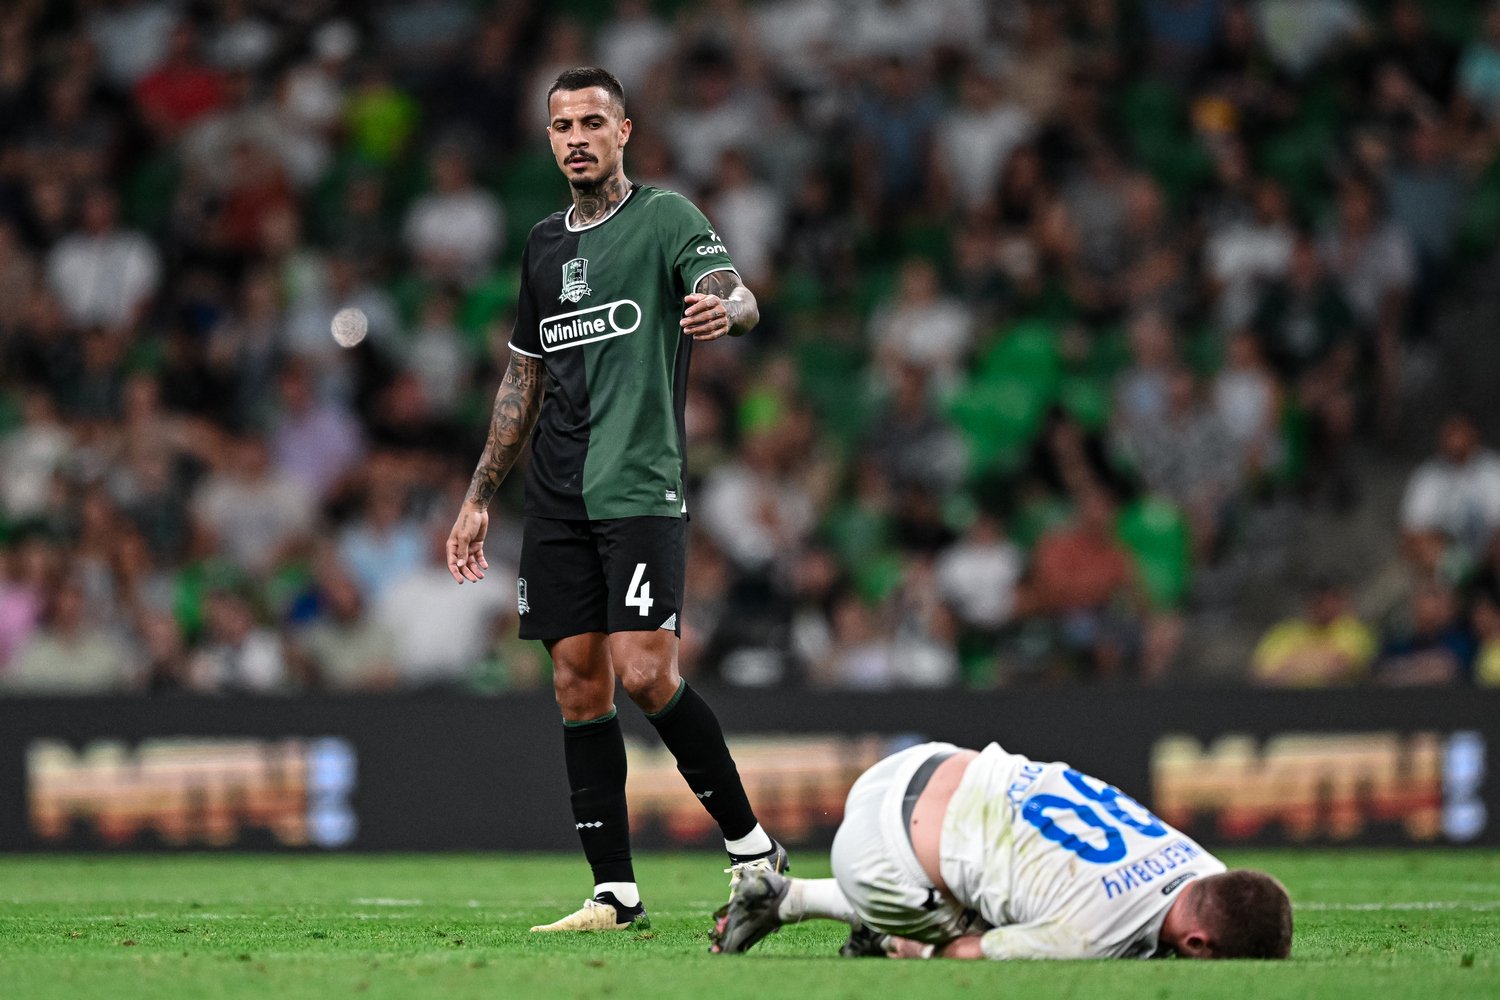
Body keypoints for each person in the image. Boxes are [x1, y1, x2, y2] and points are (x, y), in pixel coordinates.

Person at [445, 67, 785, 933]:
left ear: (623, 131)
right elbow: (523, 376)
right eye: (563, 126)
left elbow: (733, 290)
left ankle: (753, 849)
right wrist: (480, 495)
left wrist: (729, 311)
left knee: (643, 670)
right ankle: (615, 894)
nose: (577, 139)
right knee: (575, 683)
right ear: (549, 138)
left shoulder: (665, 217)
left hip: (638, 486)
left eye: (593, 122)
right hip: (555, 496)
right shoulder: (541, 246)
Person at [712, 741, 1292, 961]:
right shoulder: (1096, 936)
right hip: (878, 855)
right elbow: (973, 955)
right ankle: (887, 935)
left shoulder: (1199, 861)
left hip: (922, 763)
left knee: (1012, 884)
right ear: (1197, 944)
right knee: (978, 935)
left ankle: (786, 898)